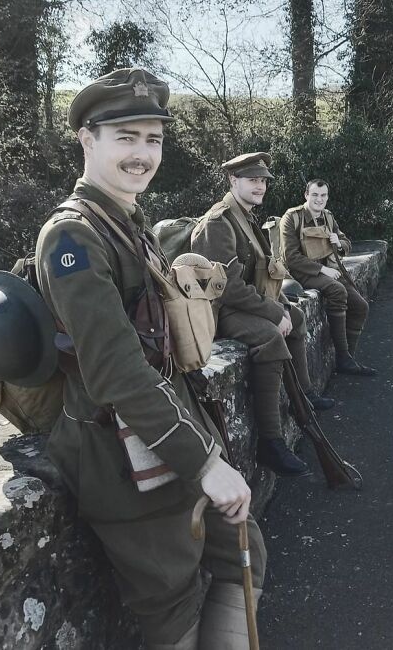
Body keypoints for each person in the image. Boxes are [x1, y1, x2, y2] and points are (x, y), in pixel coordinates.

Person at [35, 68, 266, 650]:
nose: (142, 154)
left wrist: (203, 450)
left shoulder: (129, 224)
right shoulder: (71, 238)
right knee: (171, 600)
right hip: (117, 454)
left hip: (169, 432)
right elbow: (114, 370)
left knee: (244, 554)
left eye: (153, 139)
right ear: (87, 140)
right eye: (126, 138)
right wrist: (205, 464)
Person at [190, 153, 335, 479]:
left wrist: (281, 306)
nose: (260, 186)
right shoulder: (218, 223)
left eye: (263, 181)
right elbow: (227, 288)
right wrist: (272, 312)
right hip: (221, 310)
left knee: (297, 317)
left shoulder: (245, 216)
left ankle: (304, 397)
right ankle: (270, 441)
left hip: (245, 303)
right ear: (233, 180)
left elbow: (265, 271)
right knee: (270, 338)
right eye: (252, 180)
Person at [279, 179, 376, 376]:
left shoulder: (328, 217)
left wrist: (339, 243)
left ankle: (348, 359)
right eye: (315, 195)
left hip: (330, 270)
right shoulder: (292, 217)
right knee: (337, 290)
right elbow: (291, 257)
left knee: (361, 307)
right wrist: (322, 270)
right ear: (306, 195)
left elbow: (346, 242)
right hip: (302, 273)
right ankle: (343, 357)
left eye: (323, 195)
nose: (319, 199)